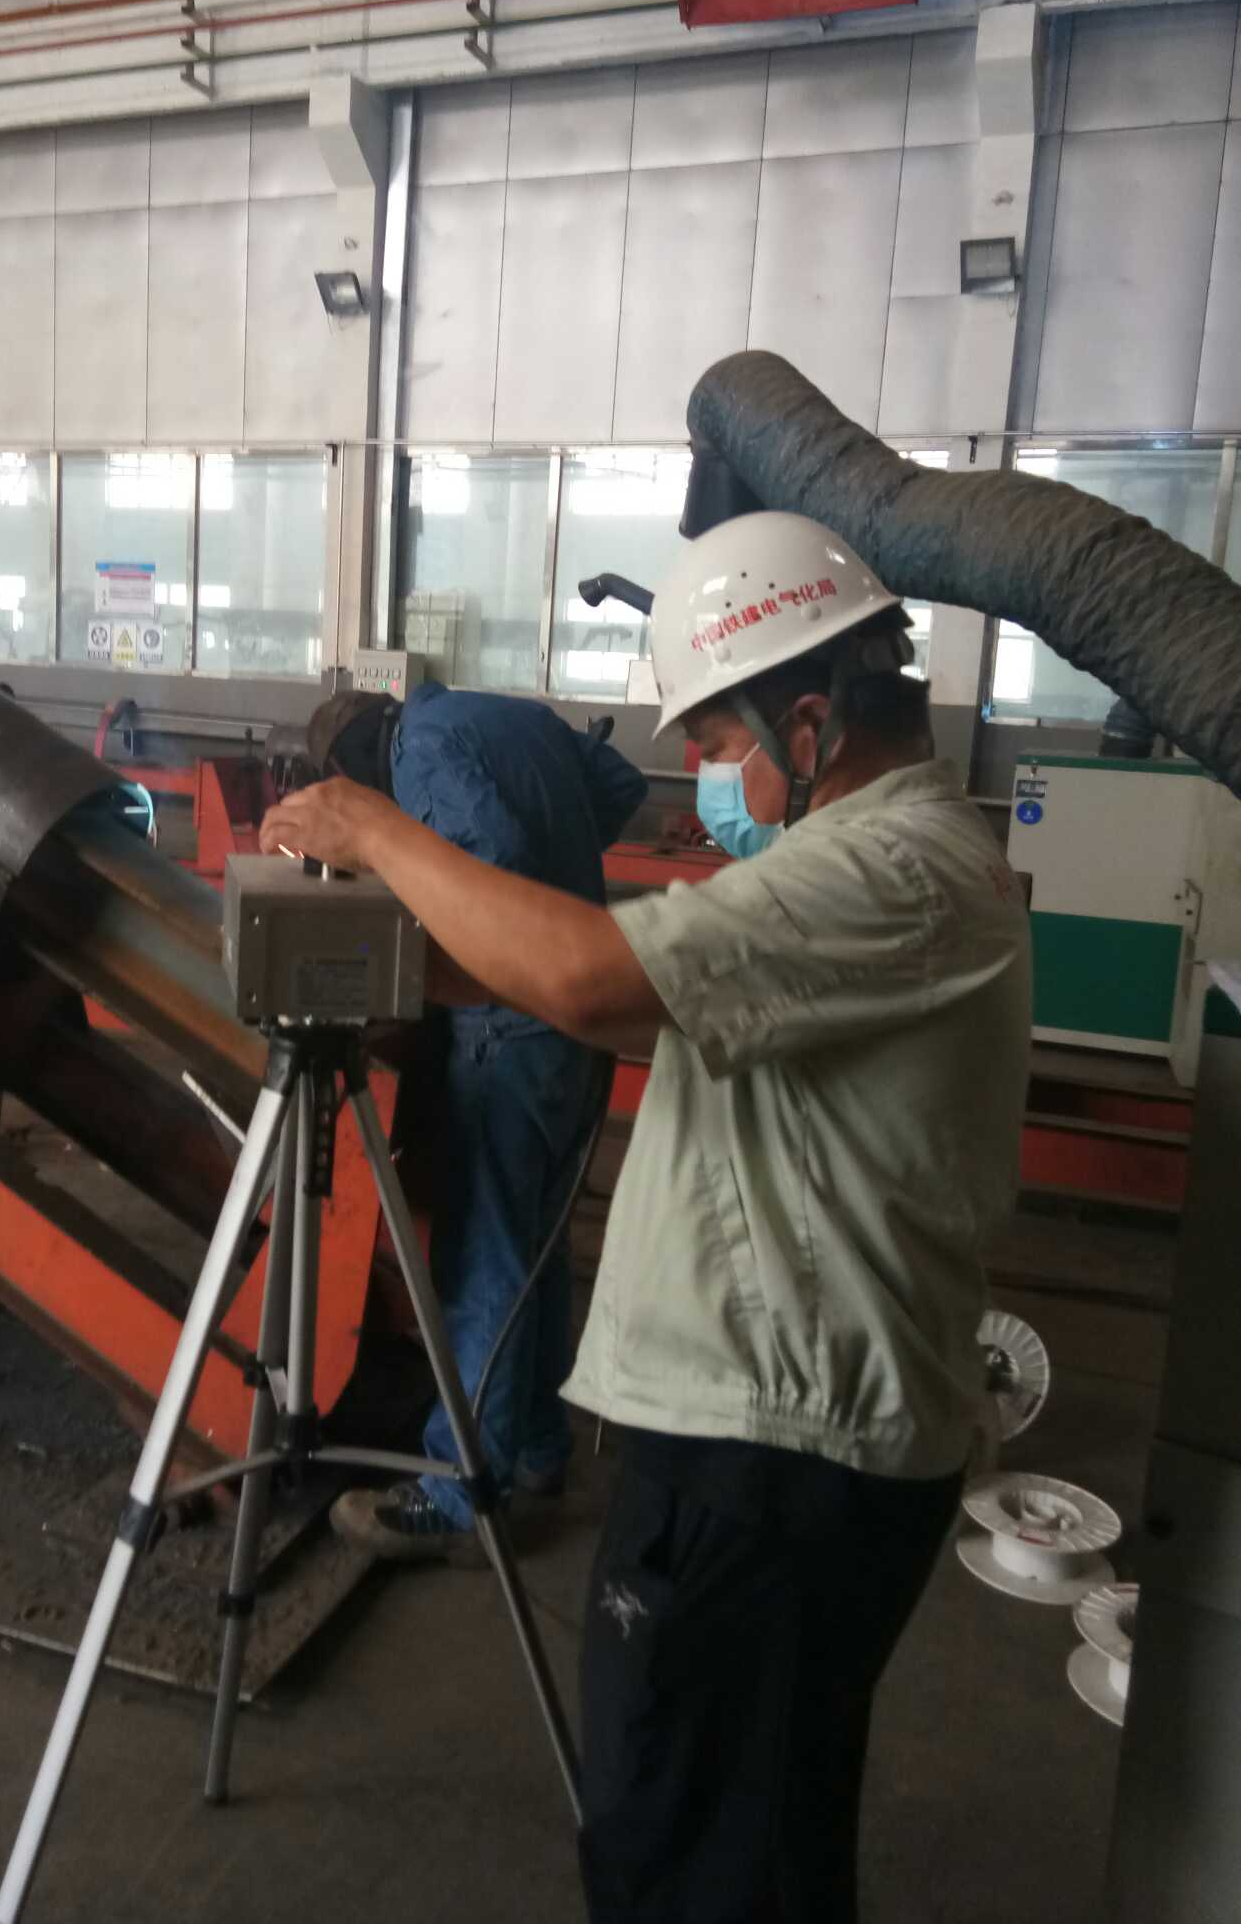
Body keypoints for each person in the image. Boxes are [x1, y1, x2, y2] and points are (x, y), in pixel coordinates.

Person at [260, 513, 1033, 1924]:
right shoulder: (879, 849)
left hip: (775, 1458)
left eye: (724, 740)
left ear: (811, 723)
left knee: (688, 1850)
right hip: (787, 1435)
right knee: (744, 1827)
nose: (712, 775)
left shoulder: (887, 868)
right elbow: (628, 991)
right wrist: (424, 972)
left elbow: (594, 978)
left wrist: (371, 831)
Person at [304, 679, 648, 1563]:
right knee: (535, 1248)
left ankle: (462, 1489)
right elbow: (619, 785)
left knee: (485, 1255)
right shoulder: (503, 715)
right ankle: (535, 1448)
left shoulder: (417, 753)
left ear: (353, 768)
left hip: (507, 1029)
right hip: (572, 1023)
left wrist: (409, 872)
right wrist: (561, 870)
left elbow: (488, 860)